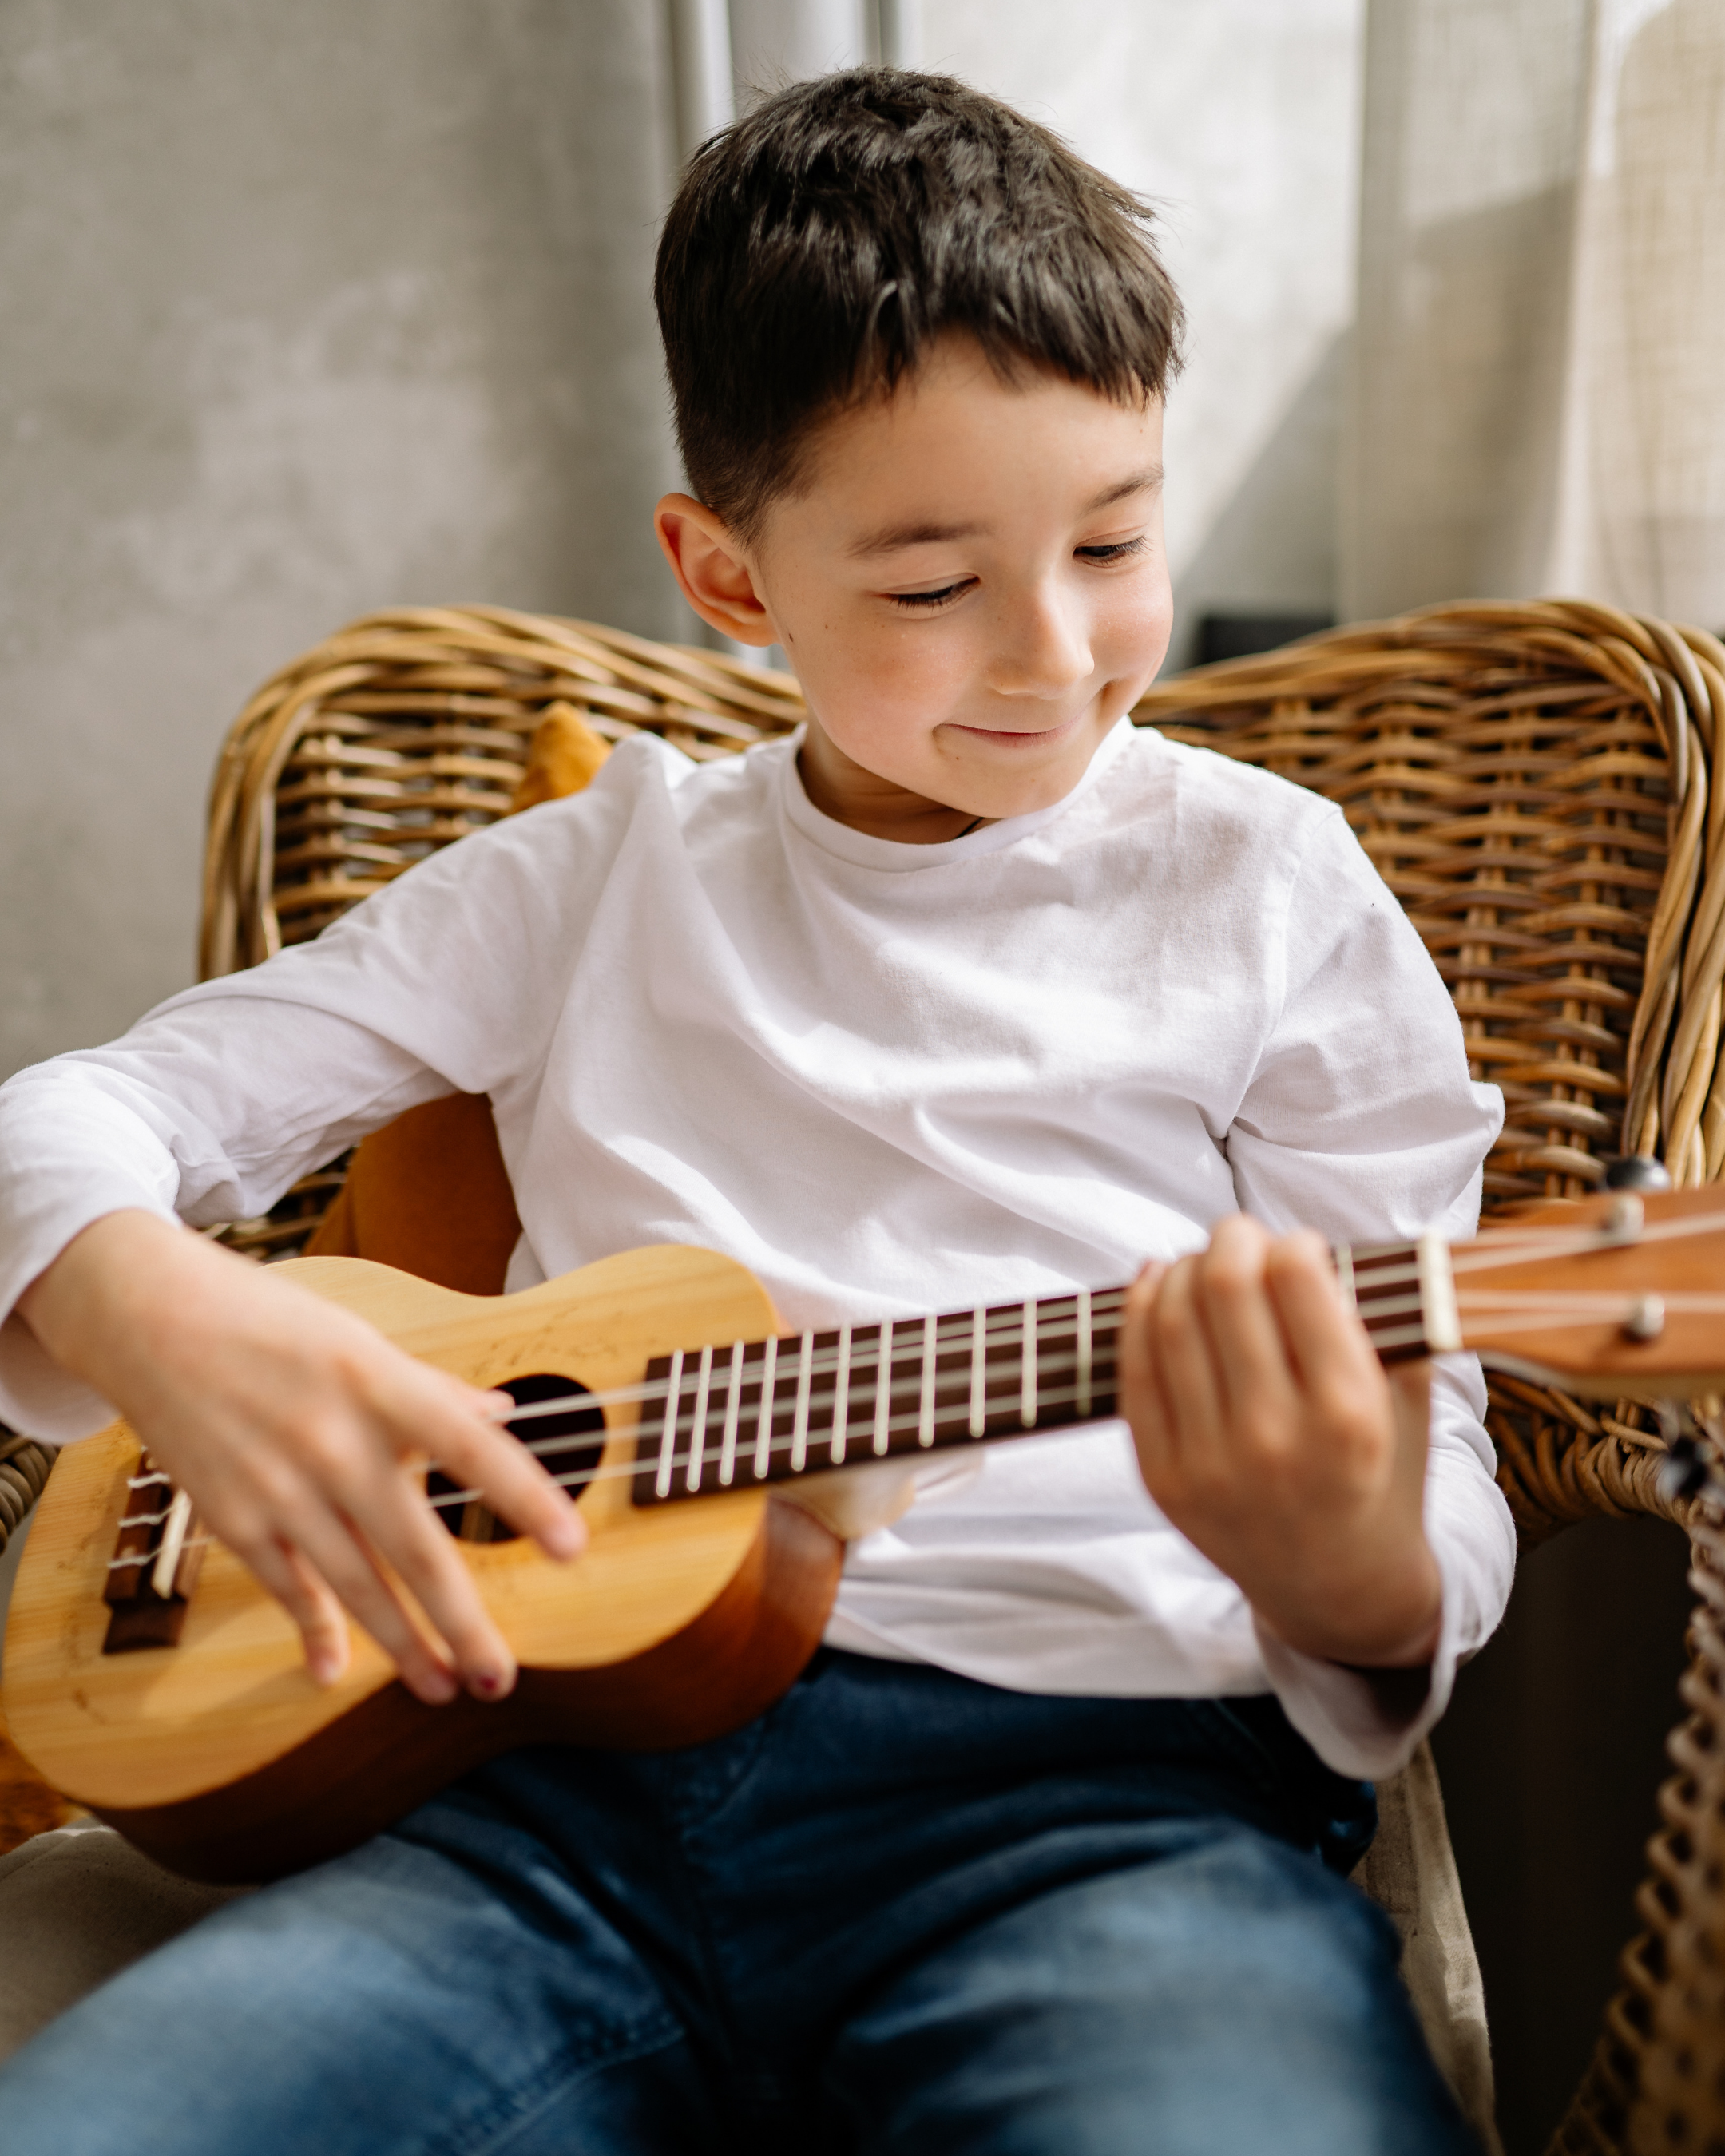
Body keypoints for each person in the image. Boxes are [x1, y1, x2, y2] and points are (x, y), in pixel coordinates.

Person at [0, 68, 1509, 2154]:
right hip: (532, 1815)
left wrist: (1354, 1571)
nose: (1058, 652)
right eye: (928, 584)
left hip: (1104, 1819)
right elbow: (75, 1114)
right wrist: (169, 1316)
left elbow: (1447, 1456)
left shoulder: (1273, 893)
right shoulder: (595, 880)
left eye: (1115, 538)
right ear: (727, 574)